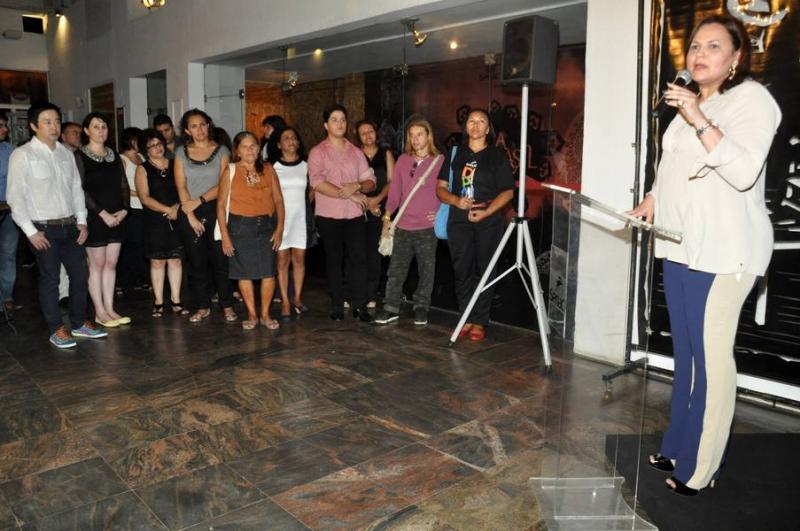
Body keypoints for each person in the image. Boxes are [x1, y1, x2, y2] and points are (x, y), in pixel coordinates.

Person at [629, 15, 781, 496]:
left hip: (726, 252)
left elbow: (743, 170)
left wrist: (697, 116)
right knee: (688, 358)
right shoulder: (688, 106)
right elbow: (671, 166)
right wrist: (652, 198)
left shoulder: (751, 100)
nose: (698, 53)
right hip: (681, 246)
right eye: (694, 45)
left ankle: (704, 465)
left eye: (713, 46)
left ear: (736, 57)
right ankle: (679, 444)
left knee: (713, 363)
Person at [6, 102, 107, 347]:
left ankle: (80, 323)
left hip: (70, 226)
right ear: (33, 126)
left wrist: (82, 221)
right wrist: (30, 232)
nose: (54, 126)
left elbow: (76, 190)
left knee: (81, 275)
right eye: (47, 122)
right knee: (50, 279)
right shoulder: (23, 154)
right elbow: (15, 197)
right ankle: (56, 329)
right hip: (43, 228)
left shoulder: (66, 153)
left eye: (57, 121)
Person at [436, 108, 514, 341]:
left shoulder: (497, 155)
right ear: (465, 126)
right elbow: (440, 188)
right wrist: (456, 200)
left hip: (488, 221)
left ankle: (479, 320)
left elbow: (508, 192)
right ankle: (466, 317)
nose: (476, 125)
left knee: (485, 270)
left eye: (481, 121)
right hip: (459, 220)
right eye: (472, 121)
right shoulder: (454, 153)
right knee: (462, 270)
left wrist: (487, 211)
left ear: (488, 128)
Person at [308, 104, 376, 322]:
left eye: (343, 119)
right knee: (334, 260)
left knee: (359, 260)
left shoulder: (356, 152)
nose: (339, 123)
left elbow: (371, 181)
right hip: (328, 215)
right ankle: (337, 304)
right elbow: (317, 182)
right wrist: (349, 195)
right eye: (334, 120)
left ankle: (360, 306)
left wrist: (357, 186)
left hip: (354, 216)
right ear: (326, 125)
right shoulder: (318, 152)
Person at [374, 118, 443, 326]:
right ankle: (391, 307)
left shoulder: (439, 161)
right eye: (411, 135)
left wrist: (440, 213)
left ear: (428, 136)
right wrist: (387, 218)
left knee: (426, 271)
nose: (415, 139)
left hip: (427, 229)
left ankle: (422, 307)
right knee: (396, 270)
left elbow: (447, 190)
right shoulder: (403, 160)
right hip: (403, 226)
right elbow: (395, 192)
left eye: (419, 134)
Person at [174, 109, 236, 322]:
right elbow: (181, 186)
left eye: (202, 124)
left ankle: (227, 305)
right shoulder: (181, 152)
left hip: (216, 208)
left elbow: (224, 184)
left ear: (208, 125)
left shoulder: (222, 150)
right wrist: (190, 215)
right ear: (187, 131)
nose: (199, 129)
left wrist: (199, 200)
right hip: (189, 211)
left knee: (221, 260)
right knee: (197, 262)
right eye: (193, 126)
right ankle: (202, 306)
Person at [217, 131, 285, 330]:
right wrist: (225, 236)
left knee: (268, 272)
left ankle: (265, 315)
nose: (250, 150)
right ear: (237, 151)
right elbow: (220, 205)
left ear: (259, 148)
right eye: (245, 146)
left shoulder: (268, 169)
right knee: (244, 273)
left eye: (253, 145)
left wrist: (280, 228)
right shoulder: (230, 171)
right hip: (240, 227)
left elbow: (279, 200)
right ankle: (252, 315)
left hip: (266, 226)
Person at [75, 112, 132, 328]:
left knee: (111, 264)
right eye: (96, 127)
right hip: (95, 216)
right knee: (97, 265)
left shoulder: (114, 155)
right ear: (86, 130)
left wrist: (125, 210)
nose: (101, 131)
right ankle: (99, 311)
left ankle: (109, 308)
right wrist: (102, 213)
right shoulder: (79, 156)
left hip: (117, 216)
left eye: (104, 127)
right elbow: (79, 190)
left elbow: (124, 184)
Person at [135, 128, 185, 317]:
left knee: (175, 259)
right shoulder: (143, 169)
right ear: (145, 150)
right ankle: (158, 301)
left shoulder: (175, 163)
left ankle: (176, 300)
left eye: (159, 143)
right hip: (154, 220)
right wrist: (168, 210)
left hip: (177, 216)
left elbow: (184, 188)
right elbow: (145, 198)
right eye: (152, 146)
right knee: (157, 261)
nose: (157, 148)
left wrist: (177, 208)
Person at [355, 119, 395, 308]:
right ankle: (356, 292)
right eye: (363, 133)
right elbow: (350, 182)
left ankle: (371, 294)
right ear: (358, 137)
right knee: (357, 251)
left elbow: (392, 182)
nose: (367, 135)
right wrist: (366, 203)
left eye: (370, 131)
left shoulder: (386, 153)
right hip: (357, 206)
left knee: (374, 252)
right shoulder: (354, 154)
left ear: (376, 133)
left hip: (381, 206)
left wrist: (377, 200)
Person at [271, 126, 309, 319]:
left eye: (294, 137)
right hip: (281, 220)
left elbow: (313, 189)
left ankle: (297, 297)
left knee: (299, 259)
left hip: (300, 220)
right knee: (283, 260)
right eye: (286, 138)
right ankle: (285, 300)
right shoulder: (273, 167)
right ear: (279, 144)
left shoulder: (306, 165)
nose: (291, 141)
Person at [117, 126, 149, 292]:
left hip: (144, 206)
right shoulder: (122, 159)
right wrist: (142, 194)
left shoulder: (141, 157)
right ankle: (123, 280)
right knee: (131, 244)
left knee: (142, 244)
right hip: (131, 207)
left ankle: (141, 278)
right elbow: (120, 186)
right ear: (130, 141)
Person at [0, 111, 21, 312]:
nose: (5, 129)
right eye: (0, 125)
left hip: (8, 211)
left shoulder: (12, 152)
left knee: (8, 253)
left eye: (5, 125)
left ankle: (6, 295)